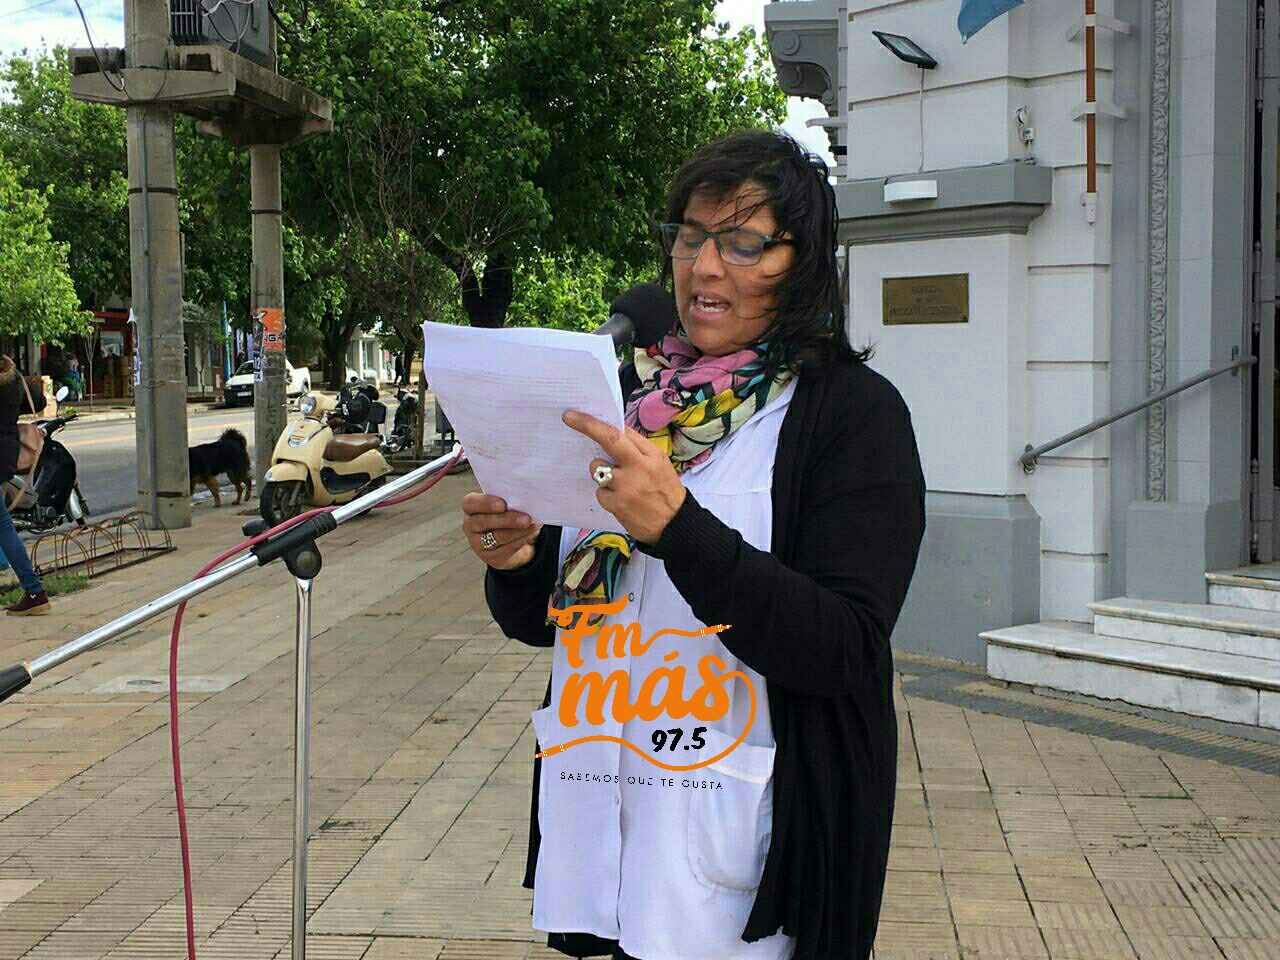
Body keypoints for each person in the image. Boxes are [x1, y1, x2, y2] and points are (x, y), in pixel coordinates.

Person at [466, 131, 926, 960]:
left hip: (746, 843)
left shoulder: (854, 416)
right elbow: (554, 622)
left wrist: (678, 529)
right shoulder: (635, 408)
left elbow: (847, 648)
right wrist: (519, 562)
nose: (705, 267)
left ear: (802, 263)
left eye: (743, 243)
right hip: (613, 818)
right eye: (690, 237)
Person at [0, 355, 50, 615]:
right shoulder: (13, 377)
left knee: (3, 526)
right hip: (5, 456)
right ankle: (34, 591)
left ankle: (34, 590)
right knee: (2, 525)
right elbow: (39, 401)